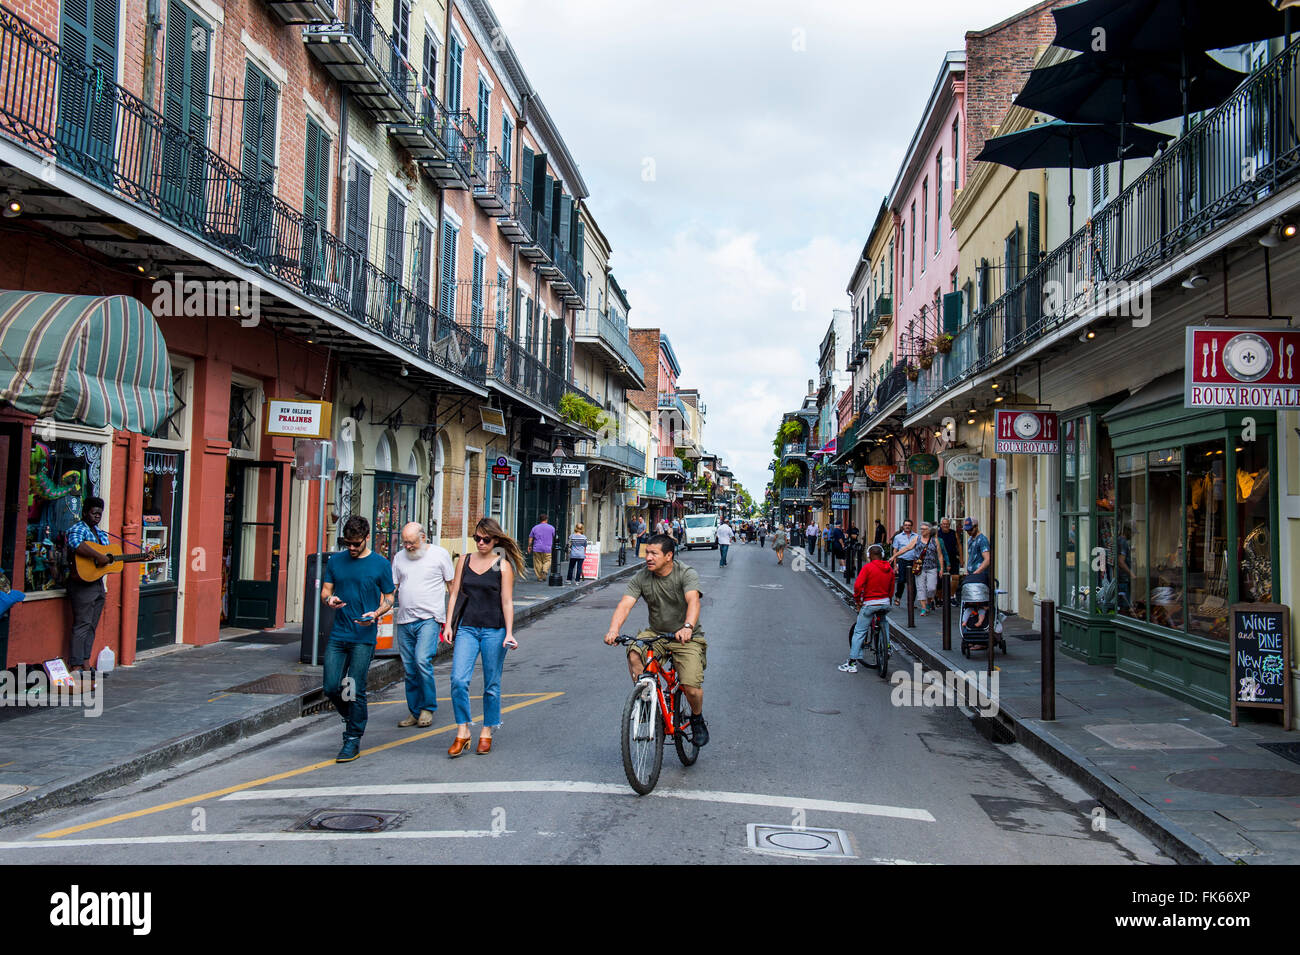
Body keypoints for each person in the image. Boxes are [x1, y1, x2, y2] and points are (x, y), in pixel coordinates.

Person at [602, 534, 708, 745]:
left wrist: (687, 627)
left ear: (669, 556)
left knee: (691, 688)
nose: (648, 557)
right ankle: (646, 700)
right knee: (634, 651)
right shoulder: (642, 577)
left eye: (653, 553)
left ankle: (697, 718)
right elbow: (625, 604)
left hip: (686, 637)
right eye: (646, 552)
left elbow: (693, 601)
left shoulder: (685, 573)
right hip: (657, 633)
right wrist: (613, 630)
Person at [443, 518, 524, 756]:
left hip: (494, 629)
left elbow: (507, 601)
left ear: (496, 540)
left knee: (491, 684)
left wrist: (509, 632)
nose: (480, 543)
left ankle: (487, 730)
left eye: (485, 539)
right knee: (458, 680)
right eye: (477, 538)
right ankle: (463, 730)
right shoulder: (465, 561)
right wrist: (448, 625)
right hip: (467, 628)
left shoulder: (502, 565)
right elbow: (455, 594)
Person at [321, 515, 396, 762]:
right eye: (347, 544)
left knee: (354, 687)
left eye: (356, 544)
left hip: (363, 635)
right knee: (331, 687)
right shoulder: (336, 561)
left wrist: (375, 614)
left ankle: (353, 737)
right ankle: (350, 716)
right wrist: (329, 600)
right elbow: (326, 591)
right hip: (339, 633)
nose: (351, 548)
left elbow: (389, 598)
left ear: (366, 538)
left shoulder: (380, 564)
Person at [391, 521, 455, 728]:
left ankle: (428, 708)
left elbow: (452, 588)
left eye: (411, 543)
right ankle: (414, 711)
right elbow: (394, 587)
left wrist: (449, 622)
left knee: (421, 661)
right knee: (409, 668)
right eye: (404, 543)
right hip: (404, 620)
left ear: (423, 538)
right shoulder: (399, 558)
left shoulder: (439, 554)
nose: (407, 547)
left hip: (429, 619)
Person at [65, 496, 111, 677]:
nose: (97, 517)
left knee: (92, 625)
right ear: (85, 513)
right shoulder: (78, 529)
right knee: (82, 624)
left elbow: (107, 555)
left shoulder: (100, 533)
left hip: (98, 583)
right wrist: (98, 556)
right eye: (94, 513)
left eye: (100, 514)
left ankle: (85, 663)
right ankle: (75, 667)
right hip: (81, 583)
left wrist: (106, 559)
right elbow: (76, 544)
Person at [841, 543, 895, 672]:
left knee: (859, 631)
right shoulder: (889, 569)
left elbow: (858, 586)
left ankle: (852, 663)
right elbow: (891, 588)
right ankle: (887, 646)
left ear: (869, 556)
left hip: (870, 603)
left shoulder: (867, 568)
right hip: (885, 602)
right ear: (882, 555)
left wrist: (858, 601)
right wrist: (888, 600)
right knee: (883, 621)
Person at [913, 522, 946, 615]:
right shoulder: (917, 539)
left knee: (931, 588)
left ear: (929, 531)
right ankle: (923, 608)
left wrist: (942, 568)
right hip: (920, 567)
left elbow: (939, 555)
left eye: (924, 529)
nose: (922, 531)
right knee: (921, 587)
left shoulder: (935, 541)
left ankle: (928, 600)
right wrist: (895, 555)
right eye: (921, 529)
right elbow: (907, 548)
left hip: (932, 567)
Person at [890, 519, 918, 605]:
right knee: (901, 580)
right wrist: (895, 565)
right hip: (902, 561)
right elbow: (895, 551)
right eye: (906, 525)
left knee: (913, 582)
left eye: (909, 525)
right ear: (903, 526)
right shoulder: (898, 537)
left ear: (911, 526)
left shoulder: (916, 536)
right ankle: (898, 597)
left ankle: (911, 602)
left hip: (913, 561)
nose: (907, 526)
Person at [937, 517, 961, 606]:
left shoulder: (953, 533)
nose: (945, 525)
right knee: (940, 580)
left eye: (947, 524)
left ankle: (951, 597)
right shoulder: (938, 534)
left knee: (955, 577)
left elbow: (959, 545)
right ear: (941, 525)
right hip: (941, 559)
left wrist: (961, 559)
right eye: (944, 524)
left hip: (953, 557)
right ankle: (940, 598)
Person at [527, 513, 555, 582]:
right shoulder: (551, 528)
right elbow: (554, 536)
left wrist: (529, 546)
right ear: (546, 519)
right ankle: (545, 570)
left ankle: (540, 577)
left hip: (537, 548)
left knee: (537, 562)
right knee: (548, 560)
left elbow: (530, 538)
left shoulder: (535, 528)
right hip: (547, 548)